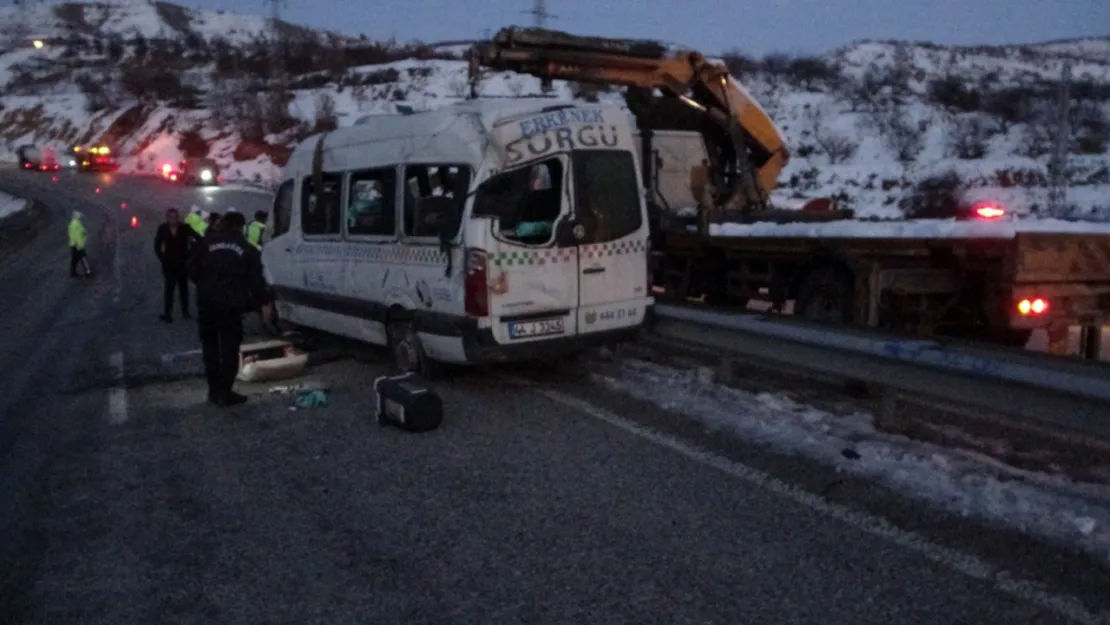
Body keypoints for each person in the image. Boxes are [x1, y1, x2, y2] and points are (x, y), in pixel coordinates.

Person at [187, 210, 273, 406]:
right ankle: (225, 392)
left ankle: (213, 390)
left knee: (209, 347)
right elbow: (256, 281)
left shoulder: (205, 243)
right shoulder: (246, 248)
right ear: (241, 227)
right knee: (229, 348)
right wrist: (264, 302)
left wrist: (205, 285)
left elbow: (191, 270)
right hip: (231, 304)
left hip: (207, 303)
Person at [154, 207, 199, 322]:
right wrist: (162, 259)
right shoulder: (163, 228)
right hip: (169, 263)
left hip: (183, 262)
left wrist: (191, 256)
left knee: (183, 288)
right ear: (167, 218)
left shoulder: (185, 228)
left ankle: (185, 312)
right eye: (170, 217)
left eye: (175, 217)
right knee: (169, 289)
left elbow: (198, 238)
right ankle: (168, 314)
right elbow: (157, 246)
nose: (173, 219)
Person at [68, 210, 91, 278]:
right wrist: (79, 244)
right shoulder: (76, 224)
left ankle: (73, 273)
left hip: (73, 244)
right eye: (79, 215)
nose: (80, 216)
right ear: (77, 216)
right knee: (83, 258)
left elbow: (72, 235)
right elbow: (77, 235)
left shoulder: (71, 224)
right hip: (78, 245)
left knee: (74, 259)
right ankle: (88, 272)